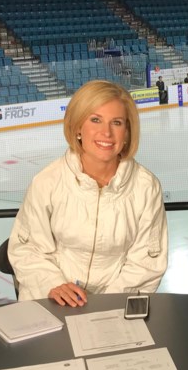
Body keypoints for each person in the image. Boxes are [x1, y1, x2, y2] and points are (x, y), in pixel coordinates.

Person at [9, 80, 168, 306]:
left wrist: (104, 307)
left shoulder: (146, 186)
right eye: (95, 120)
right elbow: (27, 248)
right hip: (52, 300)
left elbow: (147, 263)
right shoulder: (47, 181)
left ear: (127, 132)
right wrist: (53, 285)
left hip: (117, 305)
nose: (106, 132)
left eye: (117, 122)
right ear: (77, 127)